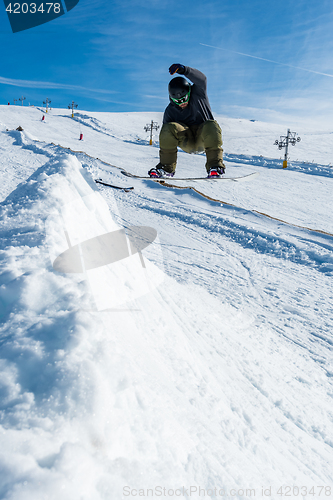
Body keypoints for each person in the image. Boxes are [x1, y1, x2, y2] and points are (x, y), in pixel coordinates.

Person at [148, 63, 225, 178]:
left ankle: (215, 167)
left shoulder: (199, 94)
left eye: (184, 99)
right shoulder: (170, 111)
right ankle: (166, 168)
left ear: (189, 92)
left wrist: (185, 70)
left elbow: (202, 79)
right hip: (187, 141)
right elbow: (166, 137)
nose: (182, 103)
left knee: (211, 124)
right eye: (177, 101)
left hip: (203, 138)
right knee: (168, 127)